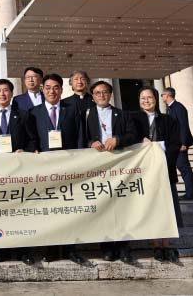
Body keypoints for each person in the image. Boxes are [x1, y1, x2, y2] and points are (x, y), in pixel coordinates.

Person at [30, 73, 85, 264]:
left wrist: (79, 159)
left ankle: (71, 249)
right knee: (49, 209)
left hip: (68, 165)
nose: (51, 91)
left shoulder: (72, 110)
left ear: (61, 90)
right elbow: (32, 138)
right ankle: (51, 248)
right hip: (45, 168)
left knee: (69, 208)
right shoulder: (34, 112)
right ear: (42, 90)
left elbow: (80, 136)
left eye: (55, 87)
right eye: (47, 88)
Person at [0, 78, 38, 264]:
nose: (2, 94)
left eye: (5, 90)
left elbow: (33, 140)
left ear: (12, 93)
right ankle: (1, 250)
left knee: (20, 211)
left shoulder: (23, 115)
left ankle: (23, 250)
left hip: (18, 170)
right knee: (0, 211)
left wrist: (25, 151)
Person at [85, 81, 137, 263]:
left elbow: (133, 135)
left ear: (110, 94)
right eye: (97, 93)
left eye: (105, 92)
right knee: (103, 206)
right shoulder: (86, 115)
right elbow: (80, 137)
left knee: (121, 205)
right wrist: (90, 143)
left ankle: (124, 246)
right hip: (96, 167)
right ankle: (106, 246)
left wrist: (118, 139)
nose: (101, 95)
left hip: (119, 165)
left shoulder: (122, 114)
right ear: (92, 96)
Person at [133, 86, 183, 262]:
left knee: (166, 207)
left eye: (149, 97)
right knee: (152, 208)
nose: (146, 101)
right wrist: (140, 139)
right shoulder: (133, 120)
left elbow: (175, 144)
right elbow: (129, 139)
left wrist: (163, 162)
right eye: (143, 98)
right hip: (144, 171)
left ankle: (166, 244)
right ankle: (156, 245)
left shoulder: (168, 120)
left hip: (164, 169)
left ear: (156, 99)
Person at [161, 87, 193, 201]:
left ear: (168, 95)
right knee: (182, 168)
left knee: (184, 168)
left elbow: (183, 126)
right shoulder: (170, 108)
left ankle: (191, 194)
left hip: (180, 144)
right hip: (174, 144)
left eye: (162, 95)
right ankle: (190, 193)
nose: (161, 97)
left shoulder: (178, 107)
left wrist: (183, 143)